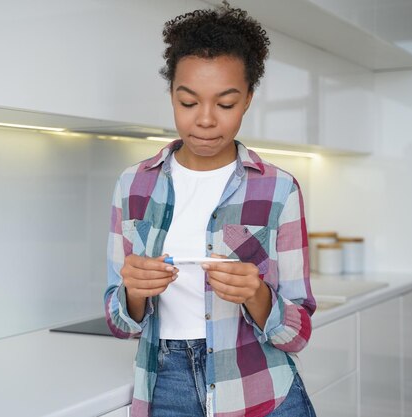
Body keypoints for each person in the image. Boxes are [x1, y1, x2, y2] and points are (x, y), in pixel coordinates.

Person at [104, 2, 317, 416]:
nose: (205, 120)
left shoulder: (278, 189)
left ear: (249, 99)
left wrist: (256, 294)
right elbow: (118, 322)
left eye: (225, 104)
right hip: (166, 387)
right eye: (188, 102)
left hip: (262, 389)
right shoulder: (133, 185)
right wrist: (133, 291)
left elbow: (299, 333)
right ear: (171, 96)